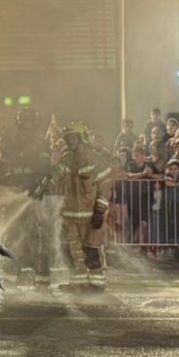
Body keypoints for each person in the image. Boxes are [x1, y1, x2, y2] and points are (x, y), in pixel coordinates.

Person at [56, 122, 112, 287]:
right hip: (68, 218)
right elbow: (55, 181)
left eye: (73, 138)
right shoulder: (65, 160)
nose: (70, 141)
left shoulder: (96, 160)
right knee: (69, 251)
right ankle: (77, 284)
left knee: (91, 251)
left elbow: (106, 186)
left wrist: (100, 211)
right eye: (68, 138)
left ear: (82, 138)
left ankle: (96, 285)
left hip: (90, 216)